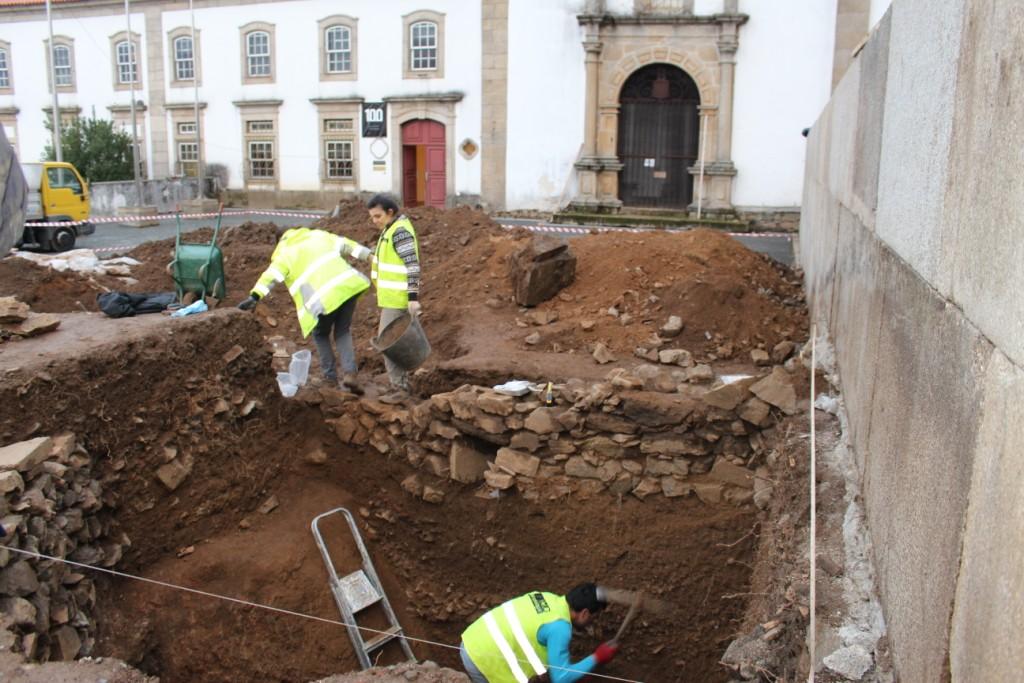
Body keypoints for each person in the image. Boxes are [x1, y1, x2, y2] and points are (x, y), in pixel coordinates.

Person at [238, 226, 371, 393]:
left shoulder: (284, 253)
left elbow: (271, 276)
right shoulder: (318, 236)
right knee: (342, 331)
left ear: (280, 241)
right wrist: (370, 255)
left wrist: (254, 296)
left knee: (321, 334)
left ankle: (330, 378)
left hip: (322, 299)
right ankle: (350, 374)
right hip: (348, 287)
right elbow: (347, 245)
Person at [460, 583, 619, 683]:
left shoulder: (546, 598)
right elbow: (561, 678)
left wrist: (578, 672)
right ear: (584, 613)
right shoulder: (560, 628)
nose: (593, 621)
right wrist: (598, 657)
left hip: (472, 640)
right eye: (594, 616)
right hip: (483, 660)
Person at [367, 193, 421, 402]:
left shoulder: (400, 233)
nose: (375, 221)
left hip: (398, 299)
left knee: (387, 345)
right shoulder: (390, 230)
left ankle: (399, 388)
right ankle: (400, 386)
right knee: (391, 344)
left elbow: (412, 266)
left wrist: (412, 297)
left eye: (378, 216)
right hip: (391, 298)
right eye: (372, 217)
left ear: (390, 212)